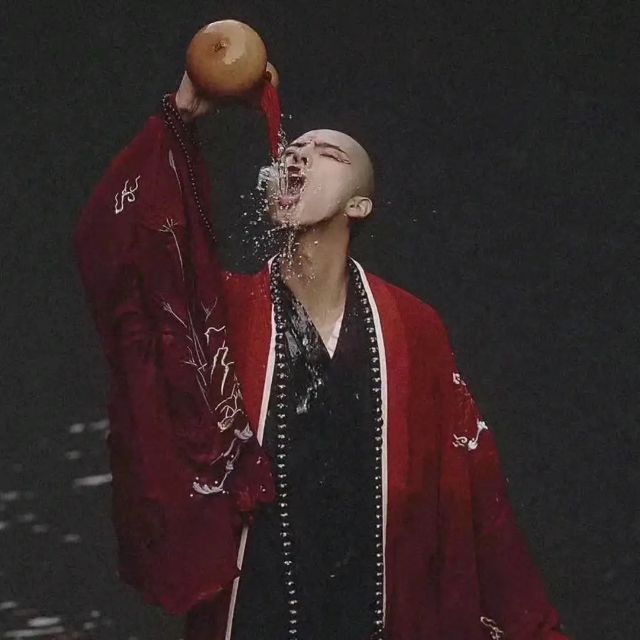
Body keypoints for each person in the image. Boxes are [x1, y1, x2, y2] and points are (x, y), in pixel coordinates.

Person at [75, 71, 570, 640]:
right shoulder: (224, 315)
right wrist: (182, 113)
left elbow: (474, 489)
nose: (298, 156)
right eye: (292, 150)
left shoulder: (412, 326)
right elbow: (123, 256)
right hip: (256, 615)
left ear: (359, 204)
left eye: (327, 153)